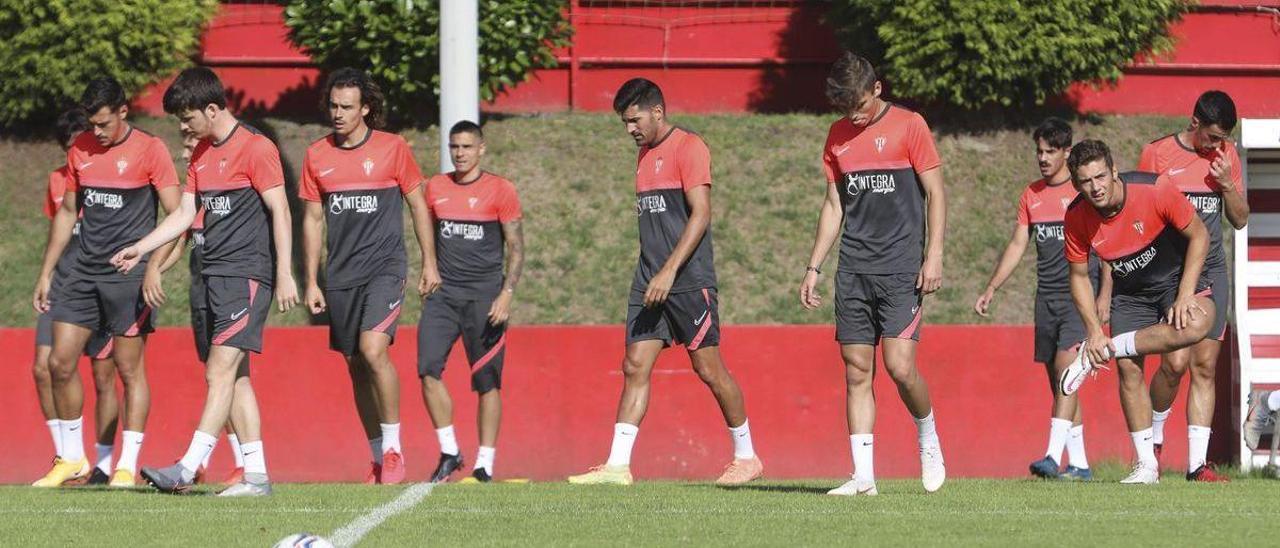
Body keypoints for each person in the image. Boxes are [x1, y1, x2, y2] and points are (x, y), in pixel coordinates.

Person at [114, 67, 299, 496]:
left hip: (246, 275)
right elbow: (183, 214)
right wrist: (140, 249)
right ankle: (256, 477)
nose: (182, 127)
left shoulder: (257, 148)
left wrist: (286, 273)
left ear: (212, 109)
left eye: (187, 118)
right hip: (212, 276)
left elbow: (281, 211)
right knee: (236, 378)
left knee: (219, 371)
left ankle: (188, 466)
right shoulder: (200, 156)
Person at [568, 78, 763, 486]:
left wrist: (670, 270)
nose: (629, 129)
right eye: (624, 122)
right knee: (634, 364)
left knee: (708, 369)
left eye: (634, 120)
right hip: (648, 279)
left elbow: (701, 213)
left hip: (687, 280)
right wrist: (654, 272)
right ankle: (618, 466)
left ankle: (747, 456)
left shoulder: (689, 147)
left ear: (657, 111)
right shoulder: (643, 154)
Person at [799, 51, 947, 496]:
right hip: (854, 269)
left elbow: (936, 194)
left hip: (902, 267)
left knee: (900, 368)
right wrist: (814, 266)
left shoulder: (910, 125)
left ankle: (928, 435)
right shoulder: (837, 136)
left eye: (859, 105)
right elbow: (834, 205)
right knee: (856, 370)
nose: (854, 116)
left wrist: (934, 254)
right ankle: (863, 477)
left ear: (877, 89)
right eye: (846, 108)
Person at [32, 78, 182, 487]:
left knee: (129, 371)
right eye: (92, 124)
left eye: (103, 124)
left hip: (127, 275)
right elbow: (67, 212)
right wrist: (47, 272)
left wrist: (154, 266)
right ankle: (72, 458)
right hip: (81, 272)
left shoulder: (151, 150)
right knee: (59, 363)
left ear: (122, 112)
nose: (96, 132)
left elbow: (177, 217)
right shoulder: (81, 146)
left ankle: (125, 466)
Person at [301, 67, 440, 485]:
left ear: (366, 109)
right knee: (356, 365)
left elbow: (418, 204)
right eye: (333, 106)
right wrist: (311, 280)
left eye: (347, 107)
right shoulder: (316, 155)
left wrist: (430, 263)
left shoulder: (393, 148)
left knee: (374, 350)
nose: (338, 114)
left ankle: (396, 449)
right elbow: (311, 219)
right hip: (341, 276)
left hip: (385, 268)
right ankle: (378, 456)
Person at [1061, 139, 1215, 484]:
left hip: (1175, 281)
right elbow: (1079, 275)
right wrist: (1093, 331)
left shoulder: (1155, 189)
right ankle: (1147, 466)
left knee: (1194, 330)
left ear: (1114, 171)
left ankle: (1108, 350)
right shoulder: (1076, 217)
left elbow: (1200, 235)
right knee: (1129, 371)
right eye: (1086, 181)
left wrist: (1186, 293)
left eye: (1101, 176)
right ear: (1075, 184)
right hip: (1131, 294)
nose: (1095, 187)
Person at [973, 118, 1100, 480]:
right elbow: (1017, 244)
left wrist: (1105, 295)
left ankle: (1050, 456)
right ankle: (1080, 465)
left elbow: (1105, 246)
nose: (1042, 158)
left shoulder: (1083, 193)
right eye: (1039, 151)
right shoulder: (1032, 194)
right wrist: (992, 287)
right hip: (1046, 299)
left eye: (1050, 151)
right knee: (1059, 382)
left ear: (1067, 153)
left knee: (1067, 373)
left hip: (1079, 297)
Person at [1137, 91, 1247, 482]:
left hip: (1212, 271)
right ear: (1194, 122)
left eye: (1224, 139)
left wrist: (1227, 185)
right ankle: (1151, 443)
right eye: (1213, 137)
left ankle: (1197, 466)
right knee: (1175, 363)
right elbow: (1142, 216)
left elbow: (1240, 219)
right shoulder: (1157, 155)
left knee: (1204, 365)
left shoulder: (1225, 156)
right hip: (1172, 273)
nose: (1218, 145)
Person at [418, 121, 522, 483]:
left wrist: (506, 294)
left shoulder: (500, 189)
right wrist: (427, 267)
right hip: (443, 296)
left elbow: (517, 248)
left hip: (484, 298)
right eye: (454, 147)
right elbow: (426, 232)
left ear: (481, 149)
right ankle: (449, 451)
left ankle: (485, 464)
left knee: (487, 383)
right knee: (427, 368)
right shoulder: (436, 187)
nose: (460, 153)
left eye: (466, 147)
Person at [31, 108, 124, 487]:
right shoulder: (58, 180)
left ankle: (103, 463)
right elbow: (59, 227)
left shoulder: (106, 173)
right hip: (64, 283)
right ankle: (68, 456)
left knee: (104, 375)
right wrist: (46, 273)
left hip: (100, 282)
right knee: (45, 367)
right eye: (68, 145)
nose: (76, 150)